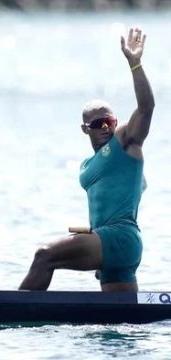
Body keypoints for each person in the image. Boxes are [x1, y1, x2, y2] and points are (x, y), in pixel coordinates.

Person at [19, 28, 154, 292]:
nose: (106, 127)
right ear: (85, 129)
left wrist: (135, 63)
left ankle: (7, 318)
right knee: (120, 324)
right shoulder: (87, 165)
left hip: (119, 237)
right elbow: (135, 187)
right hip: (108, 244)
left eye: (110, 122)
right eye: (98, 123)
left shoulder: (125, 141)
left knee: (44, 256)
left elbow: (147, 108)